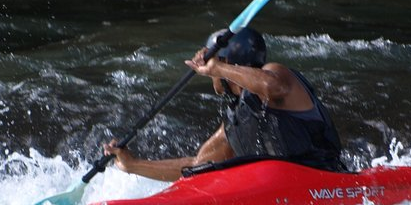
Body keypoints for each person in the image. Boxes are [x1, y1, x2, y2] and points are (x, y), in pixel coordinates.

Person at [103, 28, 345, 181]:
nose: (210, 76)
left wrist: (218, 67)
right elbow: (200, 167)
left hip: (329, 180)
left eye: (214, 67)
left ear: (227, 62)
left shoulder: (276, 75)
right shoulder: (238, 118)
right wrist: (133, 164)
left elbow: (273, 87)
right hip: (285, 186)